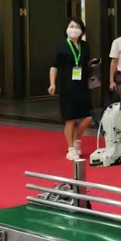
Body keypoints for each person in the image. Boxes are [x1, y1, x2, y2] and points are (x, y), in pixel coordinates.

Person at [48, 18, 93, 161]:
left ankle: (76, 139)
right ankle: (71, 148)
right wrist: (52, 83)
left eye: (77, 26)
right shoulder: (62, 46)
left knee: (87, 117)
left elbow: (86, 62)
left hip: (82, 85)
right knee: (70, 118)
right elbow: (54, 66)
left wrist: (92, 64)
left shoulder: (84, 46)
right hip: (67, 85)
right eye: (71, 26)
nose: (74, 29)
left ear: (82, 30)